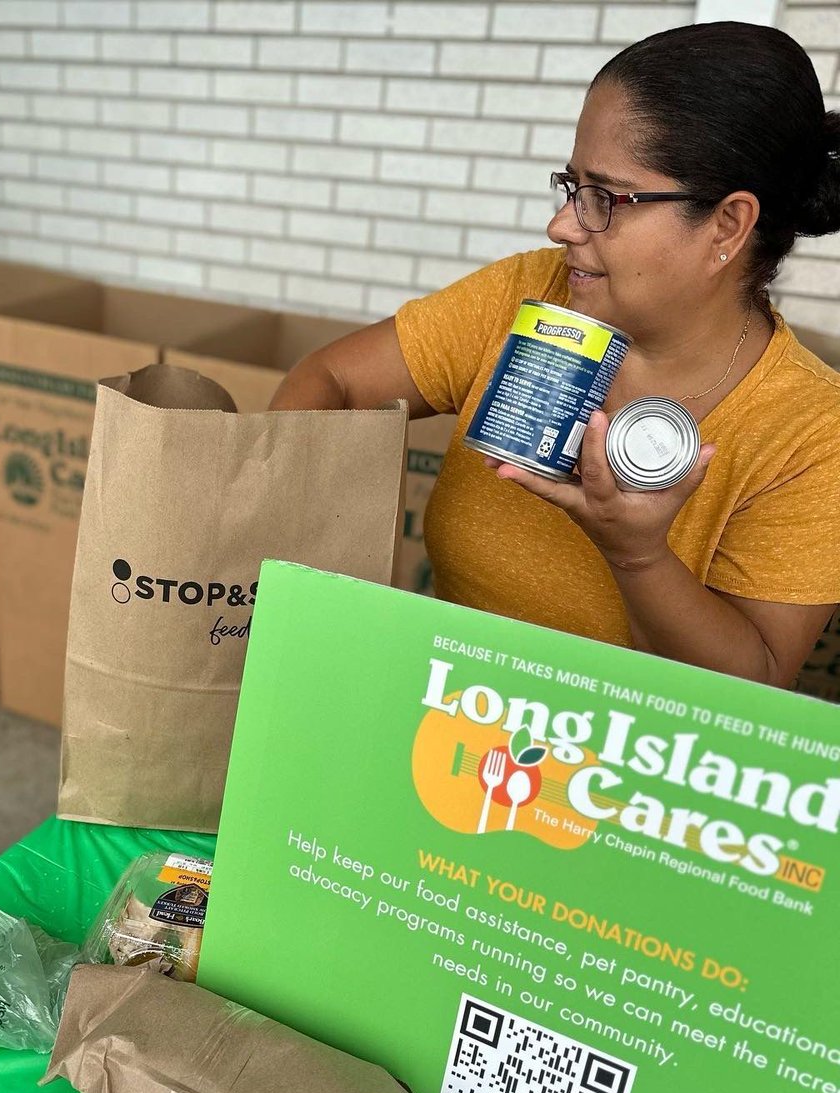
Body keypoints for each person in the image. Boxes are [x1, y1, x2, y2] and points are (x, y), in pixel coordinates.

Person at [270, 22, 840, 689]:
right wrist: (300, 575)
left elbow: (757, 683)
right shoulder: (530, 296)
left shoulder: (812, 432)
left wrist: (638, 557)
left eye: (606, 198)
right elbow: (331, 378)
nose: (563, 224)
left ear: (726, 225)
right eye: (572, 187)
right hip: (436, 715)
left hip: (622, 771)